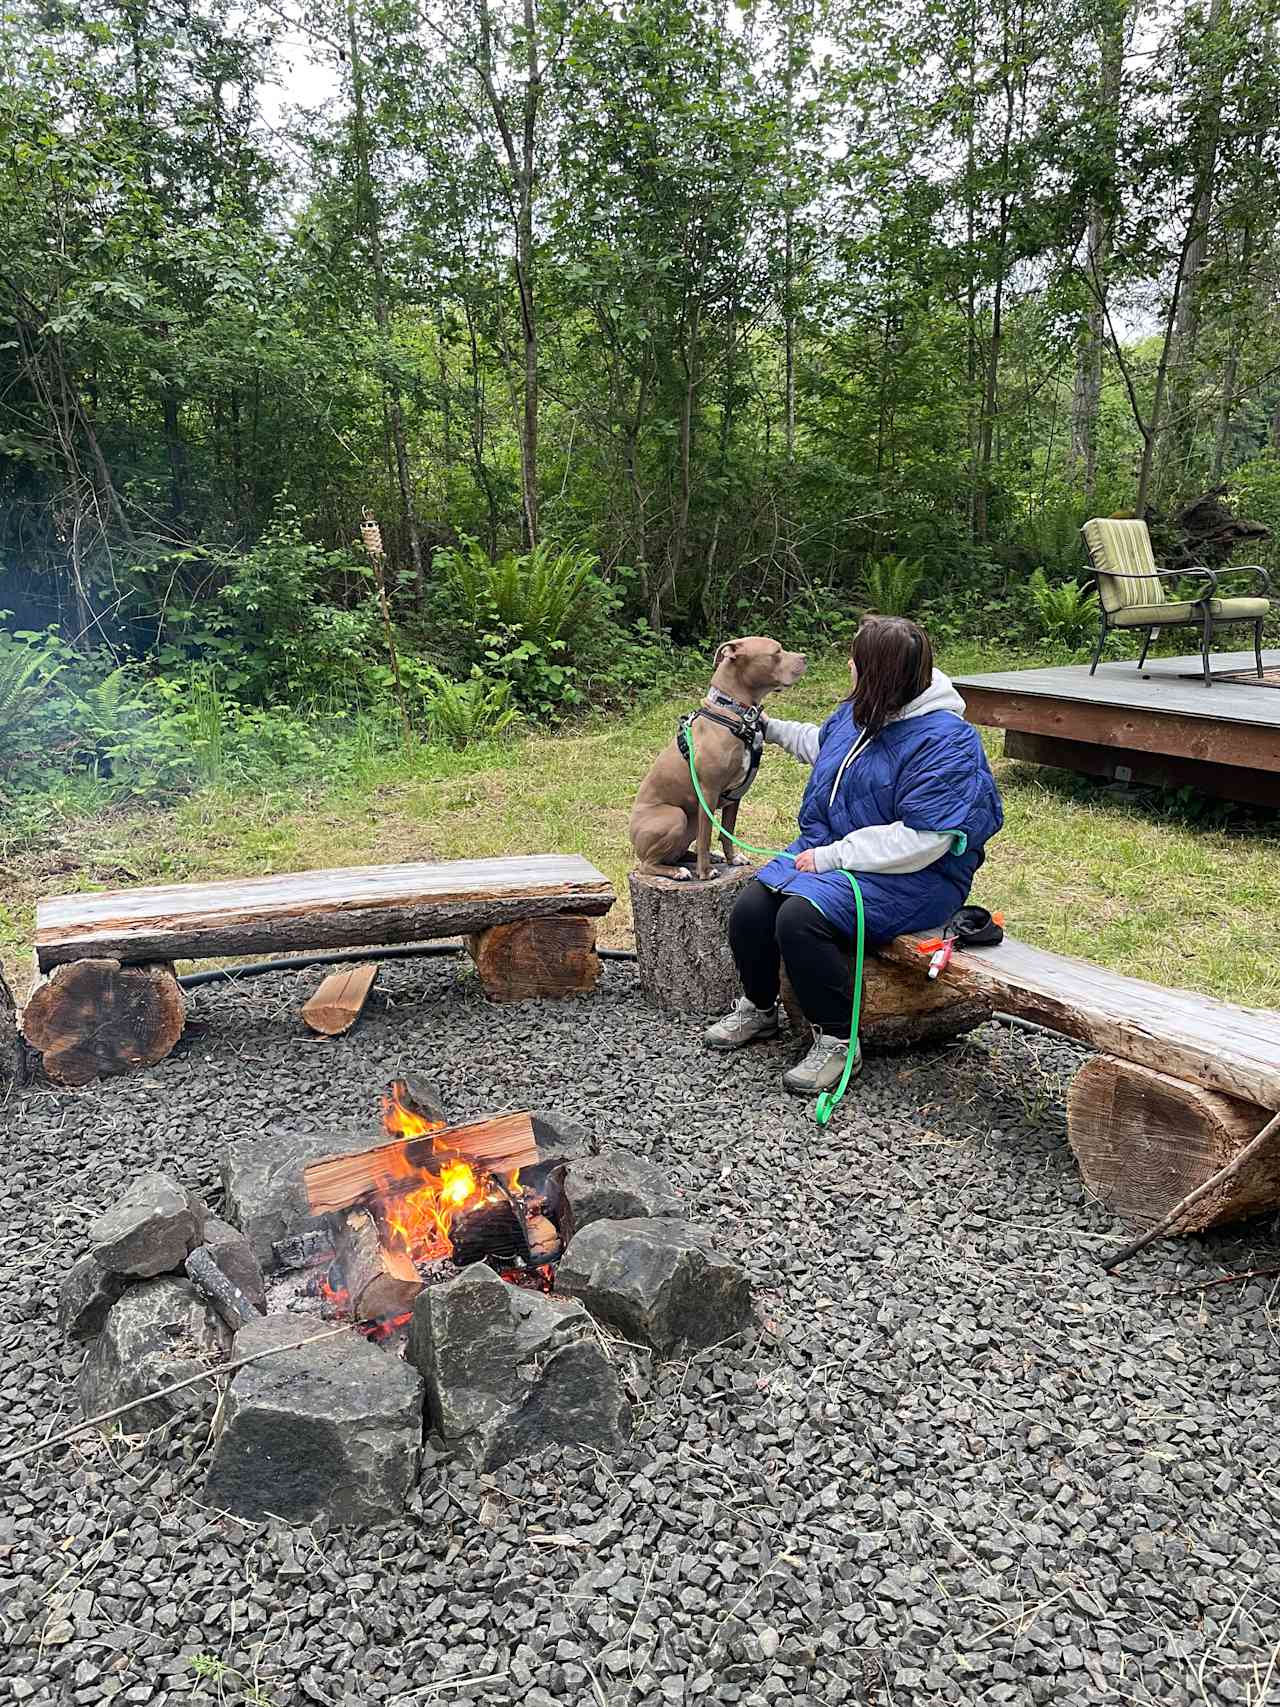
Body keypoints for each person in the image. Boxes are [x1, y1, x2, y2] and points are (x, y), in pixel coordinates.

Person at [704, 615, 1003, 1094]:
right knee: (751, 909)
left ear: (880, 675)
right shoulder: (866, 710)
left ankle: (840, 1043)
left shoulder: (946, 740)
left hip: (920, 877)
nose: (849, 666)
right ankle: (759, 1010)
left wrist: (833, 857)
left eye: (857, 662)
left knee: (799, 919)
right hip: (839, 851)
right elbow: (827, 748)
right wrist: (772, 728)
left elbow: (925, 841)